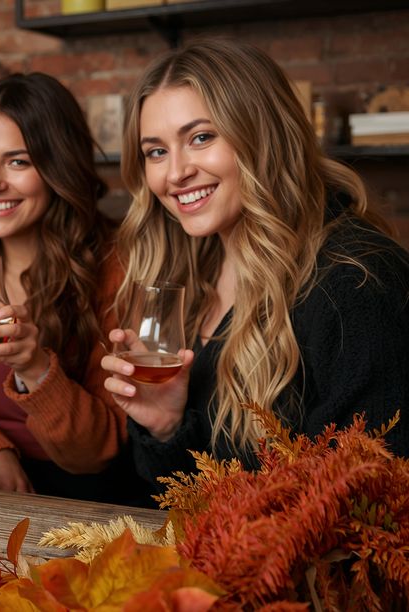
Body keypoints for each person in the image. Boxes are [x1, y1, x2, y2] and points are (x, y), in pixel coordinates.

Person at [101, 39, 409, 488]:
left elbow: (372, 503)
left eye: (201, 137)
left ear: (262, 134)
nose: (175, 173)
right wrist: (166, 428)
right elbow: (186, 504)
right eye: (156, 151)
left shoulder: (357, 281)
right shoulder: (190, 271)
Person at [0, 73, 140, 502]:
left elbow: (102, 449)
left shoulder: (115, 266)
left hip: (87, 503)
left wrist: (34, 366)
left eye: (18, 162)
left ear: (59, 166)